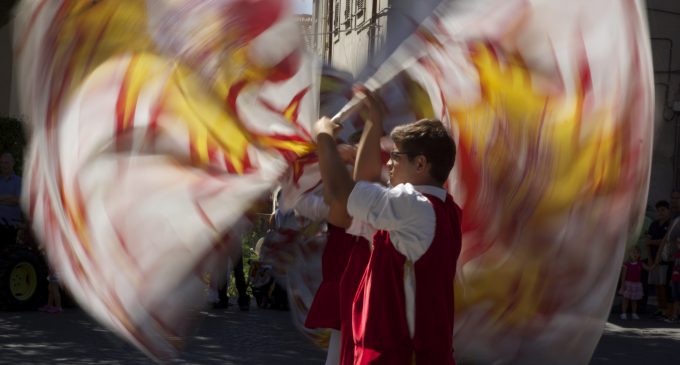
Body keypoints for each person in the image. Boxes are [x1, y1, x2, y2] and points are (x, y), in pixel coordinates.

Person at [314, 90, 462, 364]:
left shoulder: (413, 206)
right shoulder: (441, 210)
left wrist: (324, 137)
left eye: (396, 156)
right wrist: (374, 120)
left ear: (420, 163)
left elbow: (343, 194)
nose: (389, 163)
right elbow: (364, 187)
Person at [646, 200, 671, 318]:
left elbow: (665, 241)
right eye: (659, 210)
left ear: (668, 211)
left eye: (663, 210)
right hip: (653, 259)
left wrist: (652, 242)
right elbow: (647, 242)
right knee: (657, 285)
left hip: (664, 259)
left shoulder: (671, 224)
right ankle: (660, 308)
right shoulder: (654, 224)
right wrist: (650, 259)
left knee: (663, 285)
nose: (660, 213)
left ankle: (666, 309)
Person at [618, 247, 652, 320]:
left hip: (636, 285)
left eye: (637, 252)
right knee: (625, 299)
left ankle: (634, 313)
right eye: (633, 252)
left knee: (634, 300)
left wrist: (655, 264)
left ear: (639, 254)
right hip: (628, 284)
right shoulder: (626, 264)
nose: (635, 254)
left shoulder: (641, 263)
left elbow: (649, 268)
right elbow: (623, 275)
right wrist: (622, 285)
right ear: (629, 254)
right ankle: (623, 313)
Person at [0, 152, 22, 244]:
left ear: (13, 163)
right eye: (1, 162)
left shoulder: (19, 181)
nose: (4, 165)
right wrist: (8, 198)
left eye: (6, 162)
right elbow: (12, 199)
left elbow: (17, 200)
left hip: (11, 226)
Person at [666, 237, 680, 323]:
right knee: (675, 298)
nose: (678, 244)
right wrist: (671, 279)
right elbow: (674, 267)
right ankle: (675, 315)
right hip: (675, 279)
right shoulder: (677, 254)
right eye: (678, 242)